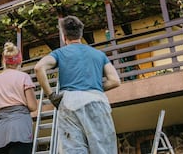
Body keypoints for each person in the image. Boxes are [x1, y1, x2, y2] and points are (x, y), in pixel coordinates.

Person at [34, 15, 121, 154]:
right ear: (80, 34)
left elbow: (39, 68)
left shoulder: (59, 53)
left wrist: (51, 95)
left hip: (70, 102)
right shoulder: (99, 55)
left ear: (64, 36)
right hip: (97, 101)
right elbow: (115, 80)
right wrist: (96, 86)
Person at [0, 42, 38, 154]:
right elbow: (33, 106)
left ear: (4, 61)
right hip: (20, 127)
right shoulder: (24, 77)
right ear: (19, 60)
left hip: (0, 130)